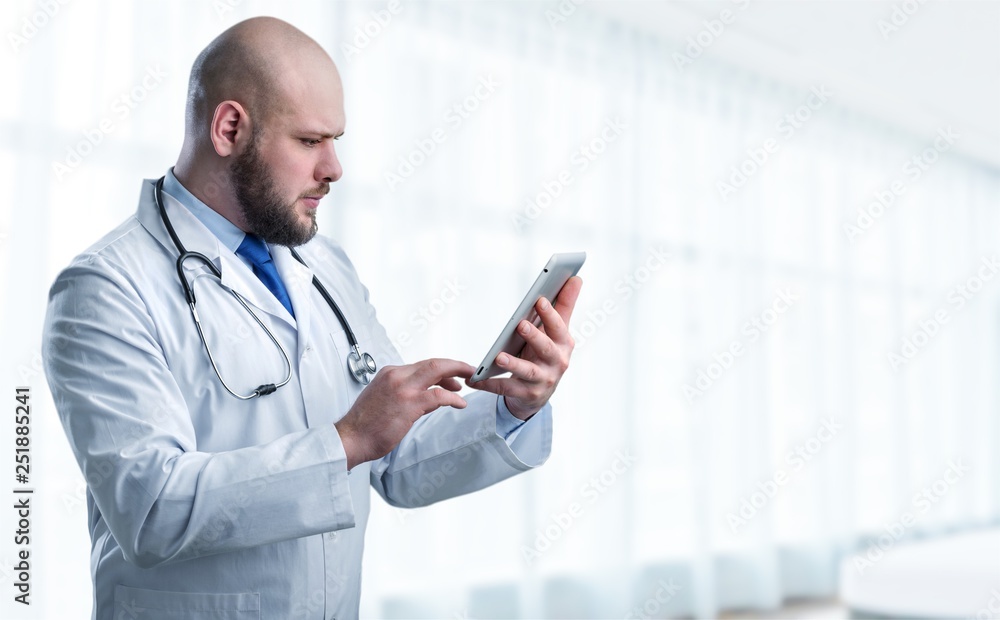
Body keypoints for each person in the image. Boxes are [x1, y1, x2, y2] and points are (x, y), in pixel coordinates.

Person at [41, 16, 582, 620]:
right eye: (309, 141)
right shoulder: (106, 288)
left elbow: (396, 462)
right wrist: (345, 441)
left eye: (336, 141)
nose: (334, 168)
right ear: (228, 129)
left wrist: (514, 405)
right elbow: (152, 511)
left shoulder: (323, 267)